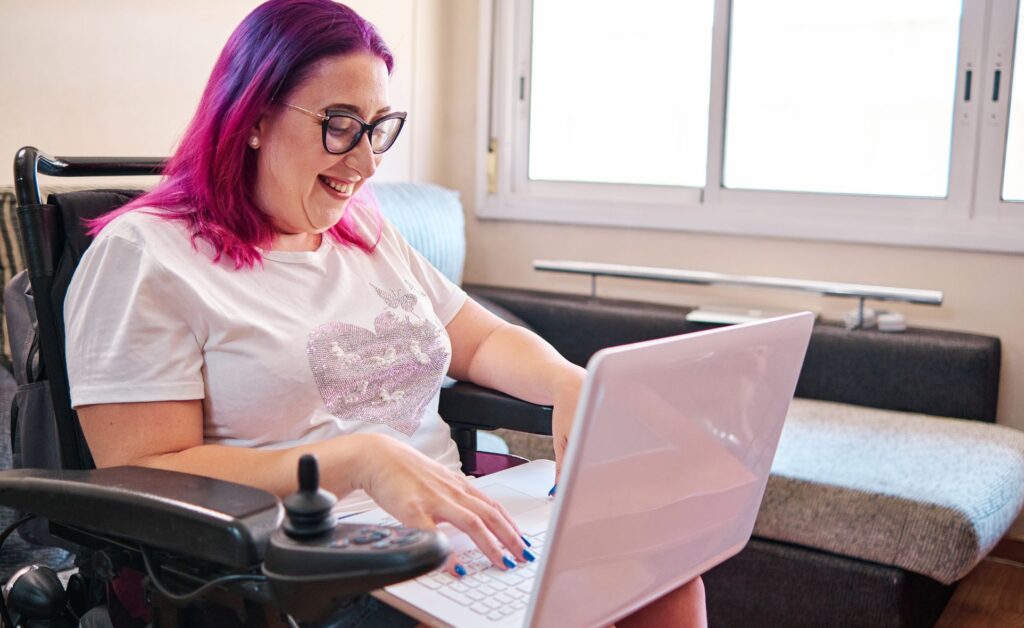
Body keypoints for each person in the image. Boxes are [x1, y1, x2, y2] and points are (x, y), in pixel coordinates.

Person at [63, 1, 706, 625]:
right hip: (298, 571)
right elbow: (144, 471)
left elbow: (479, 343)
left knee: (666, 573)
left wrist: (569, 382)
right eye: (340, 124)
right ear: (253, 118)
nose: (367, 163)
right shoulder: (145, 254)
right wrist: (356, 460)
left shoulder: (365, 233)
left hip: (448, 531)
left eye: (379, 128)